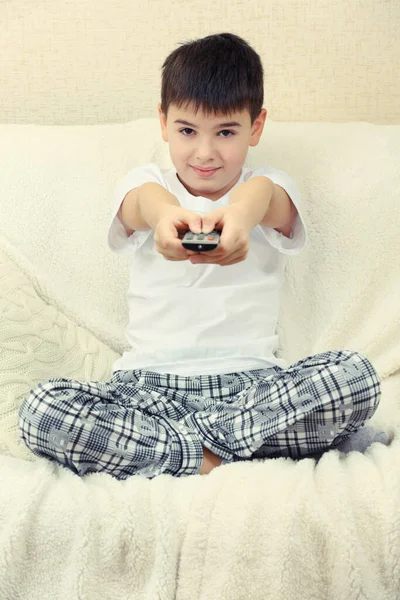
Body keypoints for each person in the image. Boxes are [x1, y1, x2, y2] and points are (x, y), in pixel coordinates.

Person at [18, 32, 387, 480]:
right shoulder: (147, 183)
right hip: (146, 390)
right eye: (187, 131)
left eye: (226, 132)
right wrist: (166, 218)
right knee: (42, 409)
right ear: (163, 122)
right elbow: (144, 203)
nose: (205, 153)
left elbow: (261, 196)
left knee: (355, 376)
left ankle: (180, 455)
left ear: (256, 126)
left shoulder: (268, 187)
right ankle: (224, 454)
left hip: (251, 390)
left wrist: (239, 217)